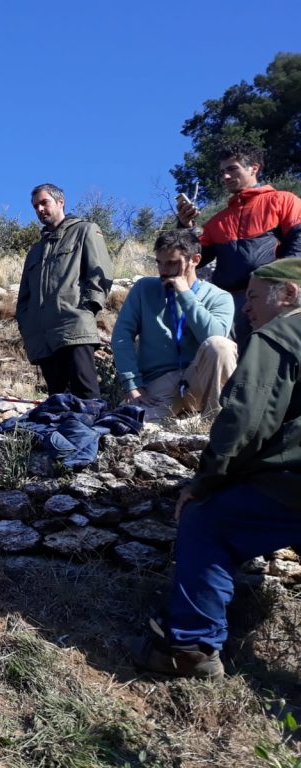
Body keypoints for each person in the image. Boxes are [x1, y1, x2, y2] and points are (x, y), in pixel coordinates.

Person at [131, 259, 301, 679]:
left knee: (207, 521)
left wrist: (204, 481)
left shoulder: (281, 334)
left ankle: (190, 646)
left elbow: (246, 421)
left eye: (255, 296)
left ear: (289, 294)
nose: (247, 307)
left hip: (290, 486)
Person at [176, 140, 301, 342]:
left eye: (232, 169)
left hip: (270, 296)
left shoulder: (283, 201)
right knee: (226, 355)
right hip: (228, 303)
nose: (225, 176)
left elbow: (299, 241)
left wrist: (283, 283)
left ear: (254, 168)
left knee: (271, 354)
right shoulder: (217, 221)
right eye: (222, 171)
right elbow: (192, 258)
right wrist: (184, 226)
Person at [112, 229, 236, 421]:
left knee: (220, 345)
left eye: (171, 263)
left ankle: (217, 422)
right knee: (124, 423)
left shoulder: (220, 297)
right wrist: (133, 386)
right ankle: (182, 417)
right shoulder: (144, 288)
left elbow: (214, 337)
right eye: (159, 262)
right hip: (158, 383)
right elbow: (122, 335)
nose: (163, 270)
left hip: (199, 380)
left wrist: (186, 294)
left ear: (195, 259)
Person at [17, 184, 114, 399]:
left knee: (86, 395)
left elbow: (100, 273)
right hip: (42, 336)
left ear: (61, 202)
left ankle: (92, 423)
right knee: (58, 400)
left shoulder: (84, 230)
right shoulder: (35, 251)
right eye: (35, 206)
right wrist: (27, 324)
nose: (40, 209)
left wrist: (87, 308)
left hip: (74, 327)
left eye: (44, 203)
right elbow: (24, 296)